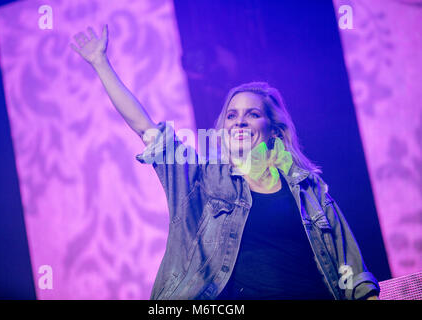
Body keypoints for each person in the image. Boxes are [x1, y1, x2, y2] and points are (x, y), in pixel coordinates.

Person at [70, 25, 380, 300]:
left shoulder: (308, 188)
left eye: (252, 114)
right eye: (232, 115)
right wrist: (100, 63)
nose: (239, 122)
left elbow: (352, 272)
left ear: (273, 129)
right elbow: (146, 130)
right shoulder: (202, 179)